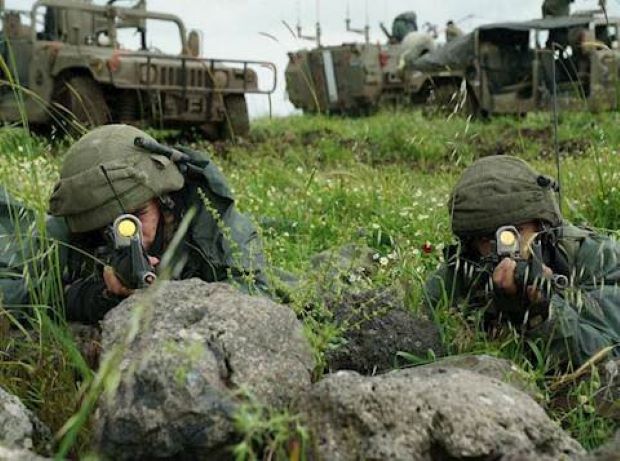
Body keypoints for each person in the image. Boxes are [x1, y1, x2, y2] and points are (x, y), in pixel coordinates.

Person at [48, 124, 270, 324]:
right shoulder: (69, 230)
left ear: (163, 200)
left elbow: (255, 295)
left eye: (138, 215)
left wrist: (170, 297)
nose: (131, 234)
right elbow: (40, 298)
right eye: (109, 227)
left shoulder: (216, 225)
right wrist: (102, 297)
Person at [423, 155, 620, 369]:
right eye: (486, 238)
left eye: (516, 231)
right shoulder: (459, 274)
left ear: (542, 225)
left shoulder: (596, 257)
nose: (504, 247)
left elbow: (608, 358)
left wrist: (544, 311)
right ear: (471, 243)